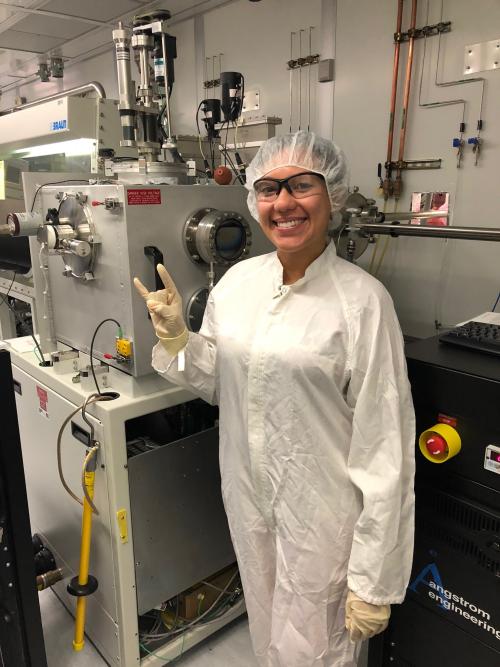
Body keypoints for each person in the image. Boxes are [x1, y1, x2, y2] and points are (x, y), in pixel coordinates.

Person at [134, 131, 415, 667]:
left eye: (301, 186)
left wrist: (375, 579)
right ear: (253, 201)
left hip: (325, 516)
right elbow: (218, 381)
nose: (283, 203)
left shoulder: (362, 302)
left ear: (331, 194)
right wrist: (178, 341)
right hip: (248, 498)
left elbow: (387, 448)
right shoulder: (238, 283)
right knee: (267, 630)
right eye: (268, 189)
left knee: (317, 649)